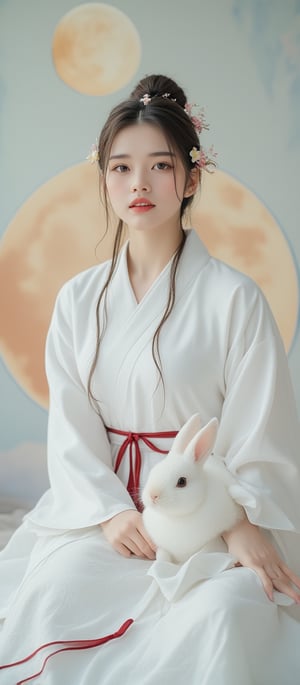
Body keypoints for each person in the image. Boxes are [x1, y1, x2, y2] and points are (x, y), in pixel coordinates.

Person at [0, 73, 300, 685]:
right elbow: (73, 430)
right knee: (56, 593)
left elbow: (259, 434)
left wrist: (235, 521)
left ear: (191, 178)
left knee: (223, 616)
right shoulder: (79, 300)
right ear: (104, 179)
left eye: (160, 165)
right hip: (108, 516)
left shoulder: (236, 300)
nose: (138, 184)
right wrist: (110, 513)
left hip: (210, 519)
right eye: (120, 167)